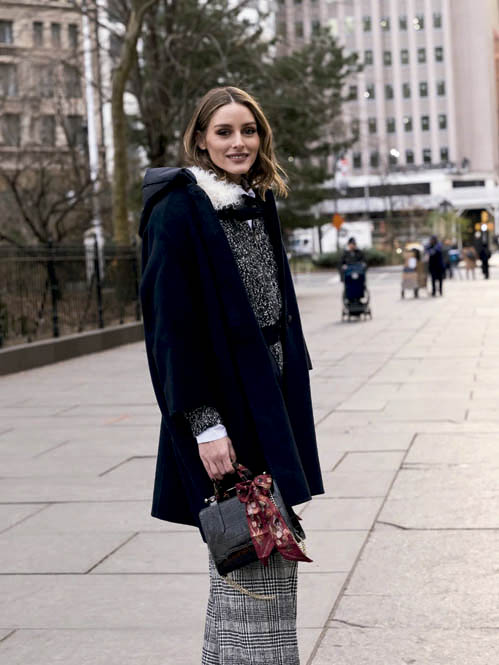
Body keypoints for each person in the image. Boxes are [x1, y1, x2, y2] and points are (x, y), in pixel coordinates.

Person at [139, 86, 324, 665]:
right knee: (253, 553)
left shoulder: (254, 200)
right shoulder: (177, 211)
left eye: (249, 130)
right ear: (200, 139)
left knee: (259, 550)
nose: (239, 142)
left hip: (270, 400)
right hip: (225, 406)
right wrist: (205, 425)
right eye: (224, 132)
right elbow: (172, 331)